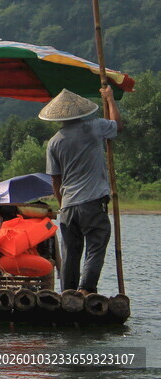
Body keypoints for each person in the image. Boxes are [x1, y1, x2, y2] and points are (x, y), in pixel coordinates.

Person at [41, 86, 123, 295]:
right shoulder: (94, 126)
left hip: (68, 205)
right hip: (92, 201)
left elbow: (55, 181)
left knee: (70, 252)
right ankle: (86, 289)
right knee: (96, 244)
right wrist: (110, 99)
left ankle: (68, 292)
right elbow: (117, 125)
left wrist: (62, 206)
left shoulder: (54, 142)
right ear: (82, 113)